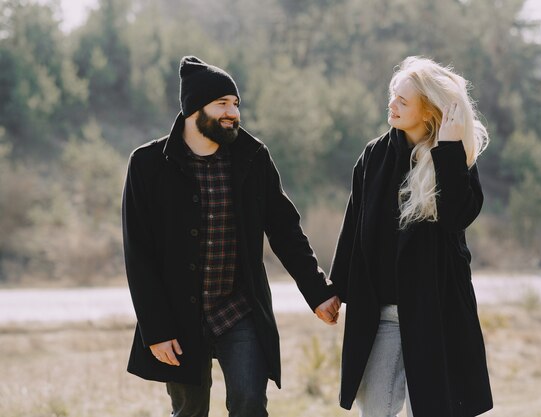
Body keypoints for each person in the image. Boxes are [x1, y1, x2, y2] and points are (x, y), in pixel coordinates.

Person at [122, 55, 341, 417]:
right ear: (195, 109)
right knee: (190, 412)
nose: (233, 112)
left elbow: (285, 229)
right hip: (179, 315)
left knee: (249, 403)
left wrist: (317, 292)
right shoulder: (147, 165)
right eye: (222, 103)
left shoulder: (252, 158)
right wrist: (156, 328)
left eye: (236, 104)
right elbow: (138, 253)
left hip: (239, 309)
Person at [329, 56, 493, 417]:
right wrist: (335, 290)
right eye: (393, 95)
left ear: (428, 110)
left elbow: (456, 218)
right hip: (383, 314)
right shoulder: (374, 155)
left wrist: (447, 150)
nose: (392, 104)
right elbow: (353, 226)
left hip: (438, 312)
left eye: (403, 101)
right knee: (375, 410)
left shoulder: (457, 158)